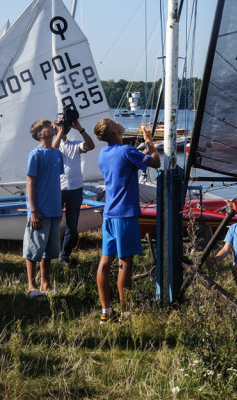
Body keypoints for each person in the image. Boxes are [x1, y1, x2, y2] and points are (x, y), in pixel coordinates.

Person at [94, 117, 159, 323]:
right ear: (114, 131)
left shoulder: (104, 153)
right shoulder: (127, 152)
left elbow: (127, 163)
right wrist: (149, 142)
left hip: (109, 214)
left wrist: (142, 154)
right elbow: (156, 162)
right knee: (125, 264)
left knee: (105, 263)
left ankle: (106, 311)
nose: (118, 123)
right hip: (125, 214)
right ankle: (125, 314)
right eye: (114, 123)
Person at [23, 118, 65, 300]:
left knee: (49, 250)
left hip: (54, 210)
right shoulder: (35, 154)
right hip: (39, 211)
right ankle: (31, 286)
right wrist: (33, 210)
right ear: (40, 134)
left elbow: (56, 181)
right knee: (34, 249)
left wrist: (60, 205)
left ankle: (45, 283)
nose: (52, 127)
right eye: (48, 126)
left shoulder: (57, 154)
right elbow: (30, 183)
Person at [51, 115, 95, 265]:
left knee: (72, 224)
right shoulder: (50, 145)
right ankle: (50, 253)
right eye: (59, 123)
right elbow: (53, 150)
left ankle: (65, 257)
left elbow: (90, 146)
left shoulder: (75, 144)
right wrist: (59, 130)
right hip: (58, 188)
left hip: (75, 189)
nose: (63, 126)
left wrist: (80, 129)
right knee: (53, 221)